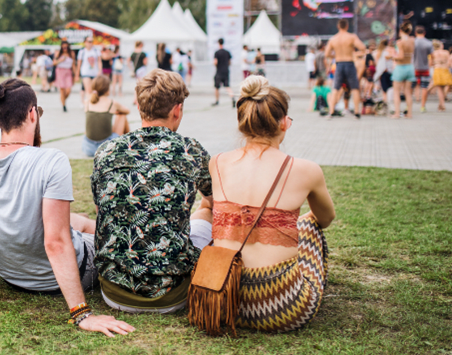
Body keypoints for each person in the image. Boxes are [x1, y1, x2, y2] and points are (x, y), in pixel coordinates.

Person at [0, 79, 135, 337]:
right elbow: (56, 242)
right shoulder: (52, 161)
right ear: (33, 113)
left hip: (13, 277)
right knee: (115, 235)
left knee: (79, 222)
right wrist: (81, 314)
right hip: (61, 274)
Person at [209, 75, 335, 333]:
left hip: (224, 298)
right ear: (283, 124)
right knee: (309, 223)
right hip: (283, 307)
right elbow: (326, 218)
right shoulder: (306, 170)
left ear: (242, 124)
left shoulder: (217, 162)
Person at [91, 69, 213, 313]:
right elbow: (220, 202)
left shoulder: (106, 150)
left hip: (114, 292)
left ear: (139, 107)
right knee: (208, 209)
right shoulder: (190, 150)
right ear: (177, 110)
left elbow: (100, 211)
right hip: (174, 294)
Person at [324, 19, 366, 119]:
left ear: (338, 26)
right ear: (347, 26)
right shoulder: (351, 37)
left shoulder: (333, 39)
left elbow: (327, 54)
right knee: (355, 88)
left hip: (339, 63)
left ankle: (331, 111)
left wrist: (336, 55)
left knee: (336, 88)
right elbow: (363, 47)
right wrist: (352, 53)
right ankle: (357, 112)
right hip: (349, 63)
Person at [82, 75, 130, 157]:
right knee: (122, 116)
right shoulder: (111, 103)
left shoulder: (87, 102)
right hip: (106, 149)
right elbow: (127, 111)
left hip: (88, 148)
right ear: (107, 88)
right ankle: (130, 144)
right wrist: (115, 112)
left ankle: (128, 145)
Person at [392, 22, 416, 119]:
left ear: (400, 30)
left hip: (400, 67)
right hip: (410, 67)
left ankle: (397, 113)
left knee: (396, 92)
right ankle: (409, 113)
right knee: (407, 92)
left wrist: (393, 56)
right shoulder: (412, 40)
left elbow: (401, 56)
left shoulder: (400, 42)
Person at [412, 25, 433, 112]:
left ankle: (408, 106)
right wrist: (430, 65)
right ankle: (422, 106)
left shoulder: (412, 42)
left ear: (415, 33)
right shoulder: (428, 43)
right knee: (424, 87)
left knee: (411, 86)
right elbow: (432, 57)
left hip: (413, 68)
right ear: (424, 33)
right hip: (425, 68)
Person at [76, 37, 101, 104]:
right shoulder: (82, 52)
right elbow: (79, 64)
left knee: (94, 90)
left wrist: (100, 70)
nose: (91, 43)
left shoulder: (96, 51)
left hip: (94, 73)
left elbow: (99, 61)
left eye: (92, 41)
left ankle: (91, 102)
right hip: (85, 73)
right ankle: (88, 104)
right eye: (89, 41)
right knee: (88, 90)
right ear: (85, 42)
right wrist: (77, 75)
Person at [53, 41, 76, 112]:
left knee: (68, 89)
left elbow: (73, 64)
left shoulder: (71, 53)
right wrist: (61, 60)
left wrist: (75, 75)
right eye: (63, 47)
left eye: (66, 47)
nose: (65, 49)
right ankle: (64, 105)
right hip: (60, 71)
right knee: (62, 89)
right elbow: (54, 63)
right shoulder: (58, 53)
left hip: (68, 71)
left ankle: (63, 99)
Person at [430, 40, 452, 112]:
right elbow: (449, 62)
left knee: (439, 88)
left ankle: (442, 104)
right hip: (445, 69)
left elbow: (430, 64)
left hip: (437, 69)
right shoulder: (446, 52)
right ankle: (441, 104)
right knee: (443, 87)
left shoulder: (433, 53)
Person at [212, 38, 234, 107]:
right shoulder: (227, 52)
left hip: (219, 71)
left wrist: (216, 65)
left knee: (217, 87)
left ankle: (217, 101)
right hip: (226, 71)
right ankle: (232, 97)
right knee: (227, 86)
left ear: (218, 43)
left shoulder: (217, 52)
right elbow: (230, 62)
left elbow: (215, 62)